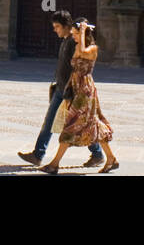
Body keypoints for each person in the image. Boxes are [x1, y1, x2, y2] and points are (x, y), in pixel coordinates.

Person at [18, 10, 104, 169]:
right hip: (61, 88)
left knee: (77, 125)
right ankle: (39, 154)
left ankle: (97, 154)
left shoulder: (73, 42)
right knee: (62, 123)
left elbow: (77, 66)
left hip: (69, 91)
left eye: (57, 26)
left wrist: (70, 92)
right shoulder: (66, 40)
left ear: (67, 26)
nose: (55, 30)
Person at [38, 18, 118, 174]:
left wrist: (81, 31)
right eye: (74, 34)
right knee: (91, 125)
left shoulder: (93, 48)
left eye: (75, 34)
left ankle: (54, 164)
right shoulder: (77, 46)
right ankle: (110, 158)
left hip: (85, 91)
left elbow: (82, 52)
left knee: (71, 126)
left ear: (83, 34)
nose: (73, 37)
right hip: (76, 89)